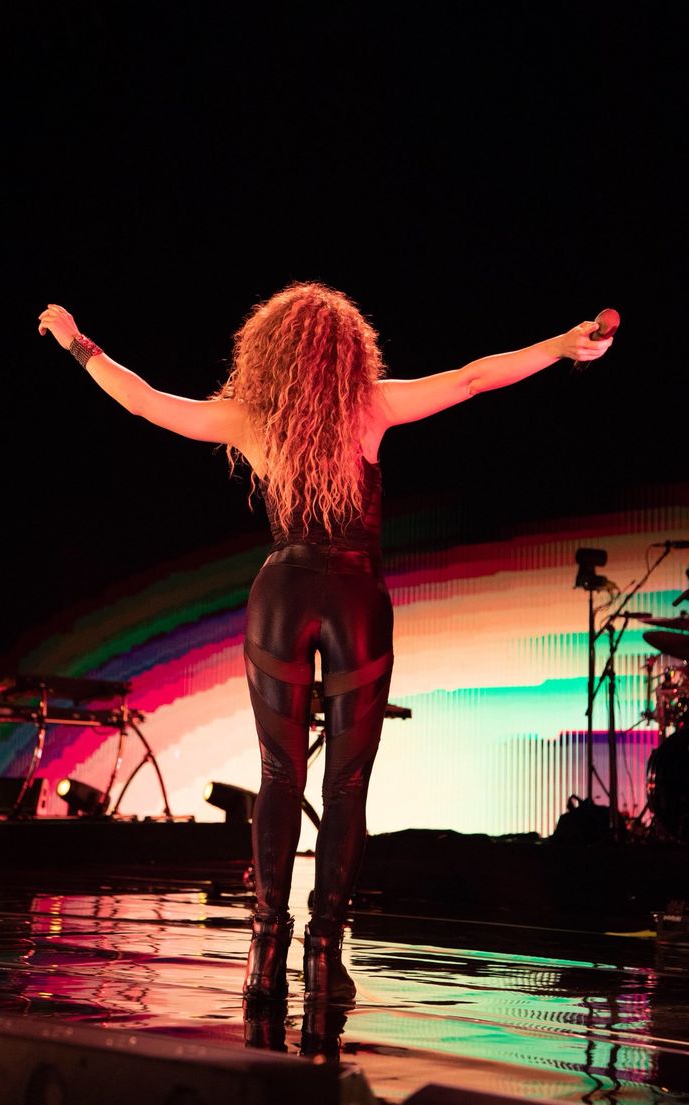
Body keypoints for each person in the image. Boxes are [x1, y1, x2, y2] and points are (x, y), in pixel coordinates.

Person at [37, 286, 613, 1005]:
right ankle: (323, 949)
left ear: (269, 352)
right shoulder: (370, 404)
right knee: (346, 783)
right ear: (348, 349)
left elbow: (145, 401)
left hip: (282, 593)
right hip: (354, 597)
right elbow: (471, 377)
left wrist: (76, 341)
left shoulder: (252, 419)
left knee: (279, 772)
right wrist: (560, 345)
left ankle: (263, 948)